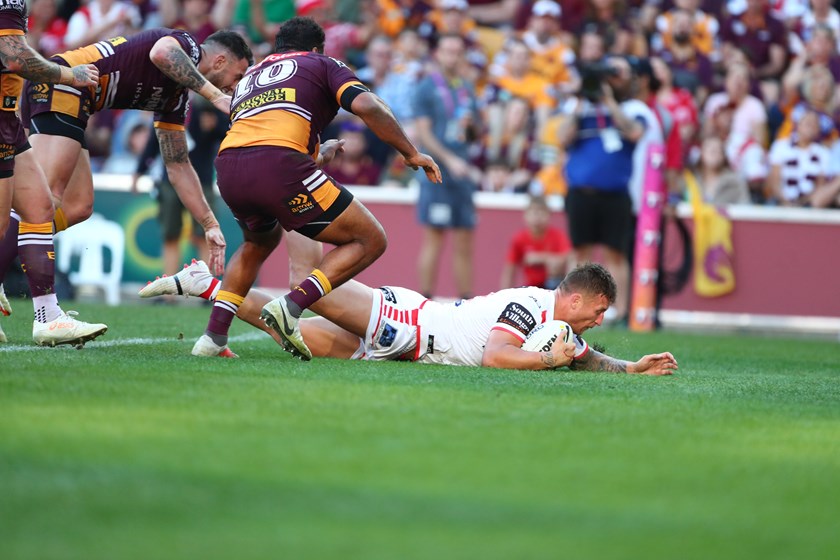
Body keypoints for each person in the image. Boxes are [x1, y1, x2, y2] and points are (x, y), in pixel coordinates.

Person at [185, 16, 440, 360]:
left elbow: (266, 134)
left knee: (257, 243)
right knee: (370, 239)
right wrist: (410, 153)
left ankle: (213, 336)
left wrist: (320, 153)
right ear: (317, 48)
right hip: (280, 163)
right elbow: (367, 105)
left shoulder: (251, 76)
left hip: (229, 166)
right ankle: (291, 306)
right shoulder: (323, 63)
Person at [140, 259, 678, 375]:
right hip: (409, 324)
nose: (599, 321)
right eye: (599, 311)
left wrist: (631, 368)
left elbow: (584, 357)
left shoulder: (559, 327)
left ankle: (206, 284)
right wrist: (545, 361)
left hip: (407, 347)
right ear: (576, 300)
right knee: (312, 291)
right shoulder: (532, 306)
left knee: (289, 330)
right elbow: (496, 357)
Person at [0, 0, 102, 345]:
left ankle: (48, 317)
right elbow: (15, 57)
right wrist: (68, 74)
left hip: (8, 119)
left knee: (40, 207)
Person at [558, 55, 657, 323]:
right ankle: (571, 310)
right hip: (581, 193)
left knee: (616, 253)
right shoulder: (579, 109)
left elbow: (634, 132)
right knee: (579, 252)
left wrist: (609, 102)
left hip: (615, 195)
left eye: (618, 74)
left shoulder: (634, 109)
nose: (611, 79)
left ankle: (621, 312)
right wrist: (581, 100)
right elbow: (562, 137)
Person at [413, 33, 482, 301]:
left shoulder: (466, 88)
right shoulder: (426, 87)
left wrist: (471, 127)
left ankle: (467, 300)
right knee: (435, 236)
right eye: (448, 51)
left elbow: (475, 133)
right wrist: (449, 159)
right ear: (438, 54)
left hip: (462, 173)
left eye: (457, 52)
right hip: (437, 173)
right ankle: (425, 299)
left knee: (465, 238)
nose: (453, 57)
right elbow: (424, 133)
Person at [500, 195, 571, 289]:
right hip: (531, 287)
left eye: (542, 213)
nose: (537, 217)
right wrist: (504, 294)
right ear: (525, 216)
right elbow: (510, 270)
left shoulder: (558, 236)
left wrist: (540, 258)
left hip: (555, 285)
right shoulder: (519, 238)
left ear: (549, 215)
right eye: (534, 213)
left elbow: (566, 260)